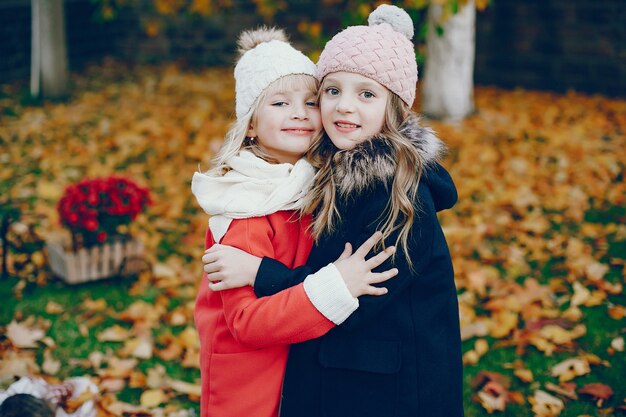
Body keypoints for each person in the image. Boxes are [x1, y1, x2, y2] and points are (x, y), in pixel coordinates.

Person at [201, 5, 464, 417]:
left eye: (366, 94)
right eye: (333, 90)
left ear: (393, 108)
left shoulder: (394, 193)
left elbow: (359, 289)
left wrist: (259, 273)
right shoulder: (329, 175)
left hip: (393, 392)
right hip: (355, 376)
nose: (344, 106)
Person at [190, 27, 398, 417]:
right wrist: (338, 286)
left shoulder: (308, 184)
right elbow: (246, 322)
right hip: (249, 387)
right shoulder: (245, 205)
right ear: (250, 124)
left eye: (310, 101)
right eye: (280, 103)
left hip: (297, 370)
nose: (300, 113)